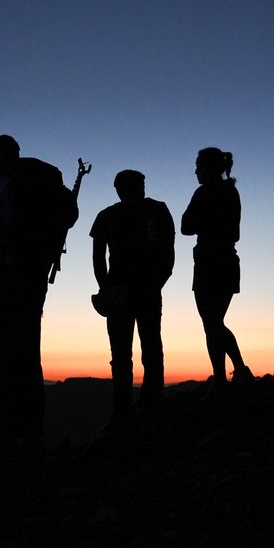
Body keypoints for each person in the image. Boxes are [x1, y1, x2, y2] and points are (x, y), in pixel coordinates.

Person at [0, 134, 73, 452]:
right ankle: (32, 435)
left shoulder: (1, 183)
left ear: (3, 155)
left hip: (4, 272)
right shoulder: (46, 185)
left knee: (2, 355)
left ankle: (6, 439)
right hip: (35, 274)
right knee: (28, 354)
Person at [90, 170, 175, 428]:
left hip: (126, 290)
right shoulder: (155, 210)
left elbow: (97, 257)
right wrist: (157, 281)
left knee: (125, 352)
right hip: (135, 290)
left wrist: (105, 287)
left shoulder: (109, 215)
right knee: (146, 348)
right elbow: (168, 253)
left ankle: (127, 408)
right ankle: (144, 404)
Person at [180, 147, 254, 394]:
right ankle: (223, 377)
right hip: (223, 263)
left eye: (197, 166)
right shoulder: (231, 192)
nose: (194, 171)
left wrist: (205, 223)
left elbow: (187, 226)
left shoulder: (203, 193)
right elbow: (232, 232)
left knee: (212, 323)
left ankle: (237, 372)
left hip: (211, 264)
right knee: (213, 323)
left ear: (207, 168)